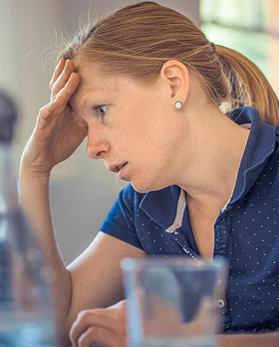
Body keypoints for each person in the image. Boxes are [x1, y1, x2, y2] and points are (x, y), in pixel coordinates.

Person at [19, 1, 279, 347]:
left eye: (102, 110)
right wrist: (35, 171)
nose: (91, 147)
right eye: (84, 124)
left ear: (173, 83)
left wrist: (174, 339)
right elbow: (56, 326)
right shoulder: (143, 205)